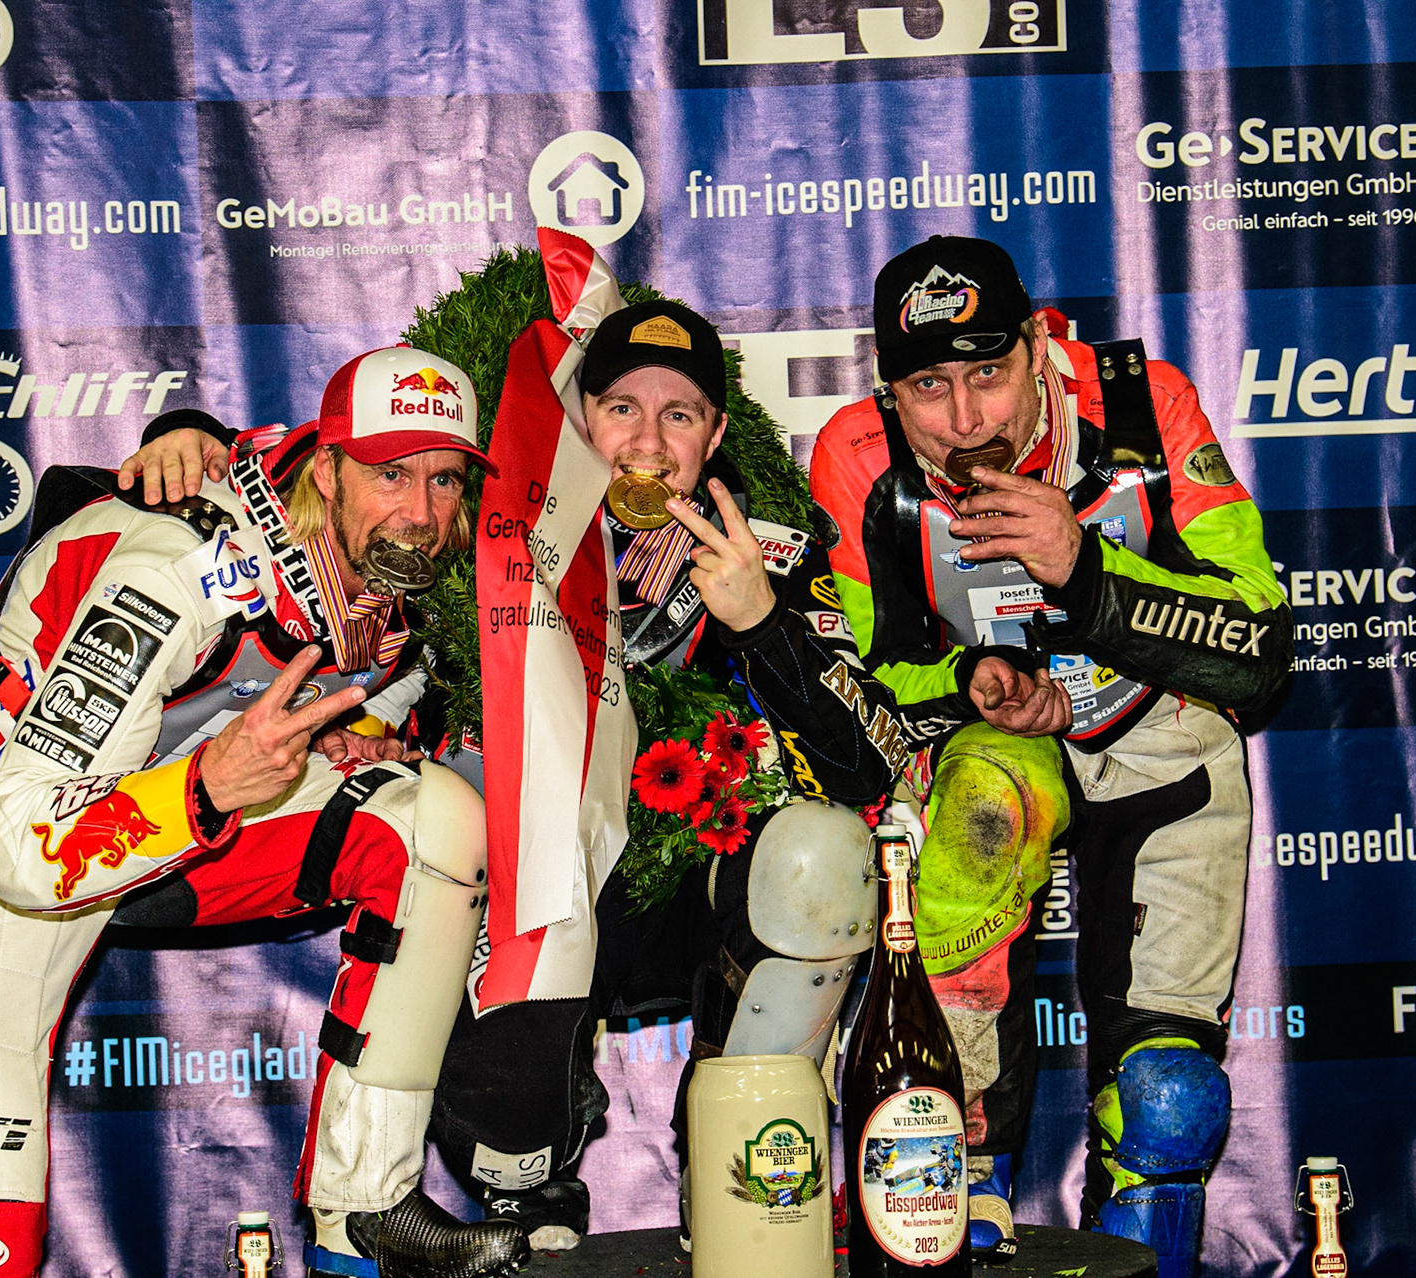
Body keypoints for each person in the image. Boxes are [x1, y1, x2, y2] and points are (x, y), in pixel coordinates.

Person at [130, 287, 944, 1253]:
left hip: (678, 891)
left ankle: (744, 1179)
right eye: (621, 410)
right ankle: (524, 1188)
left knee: (818, 854)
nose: (647, 441)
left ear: (716, 434)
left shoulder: (765, 544)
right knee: (459, 826)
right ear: (576, 420)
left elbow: (877, 769)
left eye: (678, 415)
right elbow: (342, 486)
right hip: (522, 889)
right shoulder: (482, 520)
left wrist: (761, 624)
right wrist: (189, 435)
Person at [0, 346, 532, 1278]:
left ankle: (368, 1211)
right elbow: (23, 846)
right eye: (390, 473)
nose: (422, 514)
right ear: (328, 466)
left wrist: (368, 737)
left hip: (192, 803)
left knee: (436, 820)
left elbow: (389, 690)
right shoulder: (183, 564)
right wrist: (212, 788)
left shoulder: (410, 568)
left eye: (444, 478)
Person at [808, 235, 1292, 1277]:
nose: (967, 418)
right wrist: (970, 683)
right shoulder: (855, 455)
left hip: (1156, 727)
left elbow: (1259, 646)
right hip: (995, 751)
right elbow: (862, 677)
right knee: (951, 1071)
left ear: (1038, 346)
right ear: (888, 393)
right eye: (928, 388)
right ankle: (970, 1181)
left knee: (1169, 1105)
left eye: (989, 372)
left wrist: (1086, 571)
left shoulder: (1141, 408)